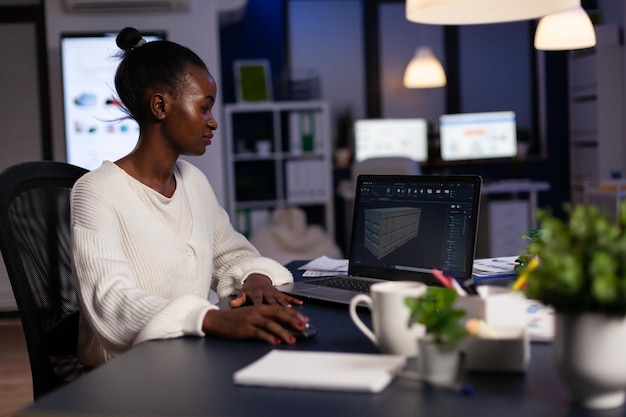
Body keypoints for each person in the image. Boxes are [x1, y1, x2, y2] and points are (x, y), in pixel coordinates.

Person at [70, 27, 307, 368]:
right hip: (125, 374)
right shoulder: (96, 191)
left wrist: (255, 276)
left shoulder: (193, 181)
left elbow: (231, 253)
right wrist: (210, 319)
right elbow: (110, 302)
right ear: (160, 105)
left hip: (187, 357)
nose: (213, 124)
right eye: (204, 108)